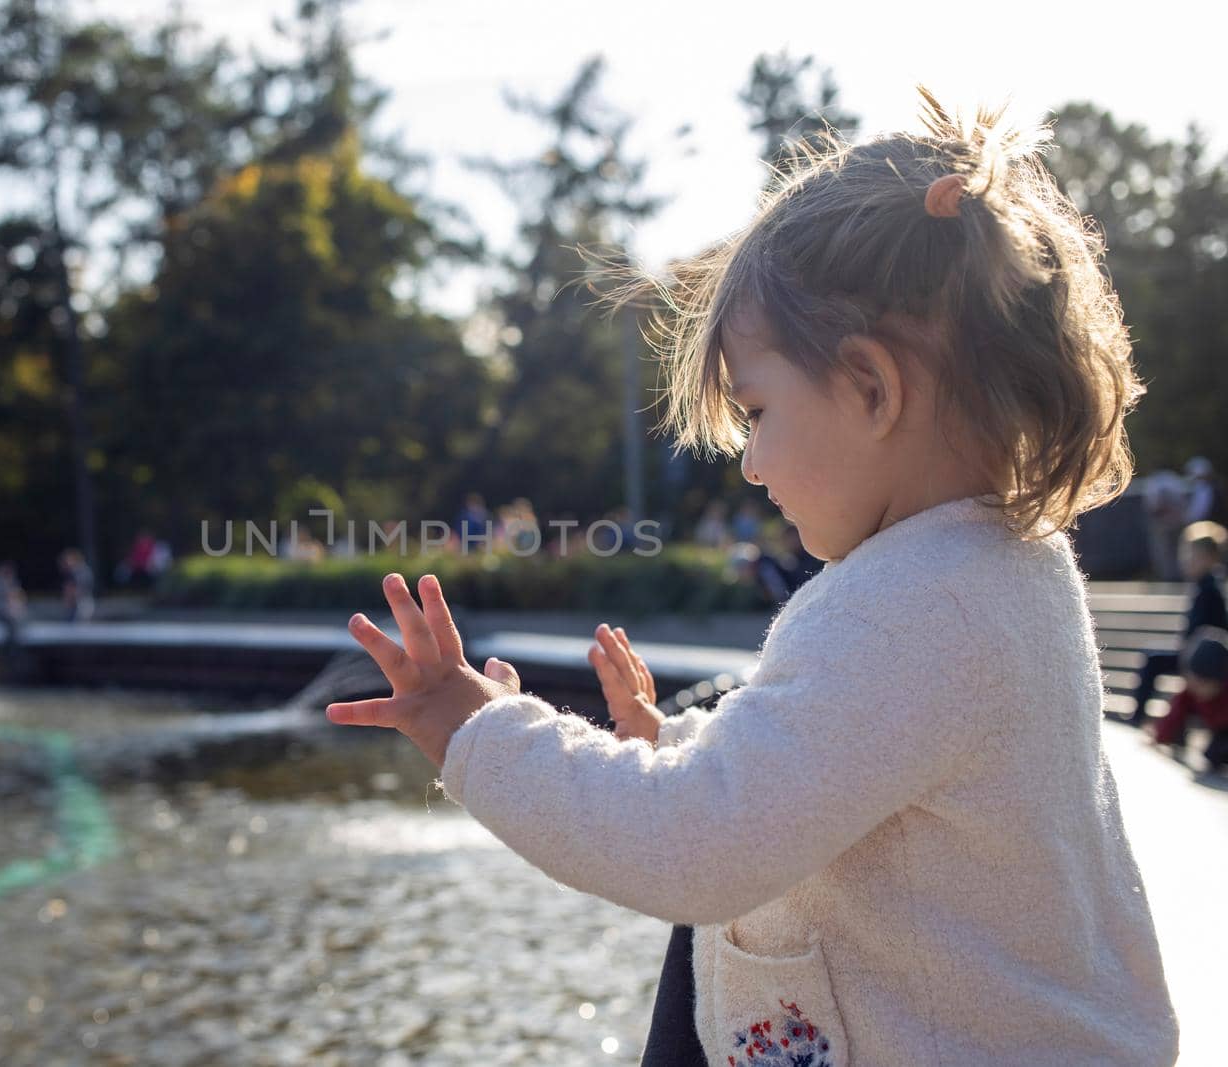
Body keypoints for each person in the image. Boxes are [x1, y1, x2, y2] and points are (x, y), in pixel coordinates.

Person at [322, 92, 1177, 1064]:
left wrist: (473, 728)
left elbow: (695, 845)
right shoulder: (999, 570)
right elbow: (856, 775)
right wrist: (680, 743)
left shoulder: (908, 610)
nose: (751, 463)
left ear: (870, 387)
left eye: (758, 411)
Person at [1124, 520, 1228, 724]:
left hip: (1201, 657)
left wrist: (1194, 657)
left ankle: (1137, 718)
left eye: (1192, 555)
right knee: (1153, 656)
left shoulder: (1210, 588)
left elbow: (1212, 630)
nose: (1186, 561)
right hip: (1193, 652)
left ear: (1208, 557)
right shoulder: (1204, 585)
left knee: (1153, 660)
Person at [1145, 627, 1228, 774]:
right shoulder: (1191, 692)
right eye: (1194, 681)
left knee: (1216, 754)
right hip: (1214, 724)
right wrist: (1160, 737)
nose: (1198, 689)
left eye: (1203, 683)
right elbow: (1175, 713)